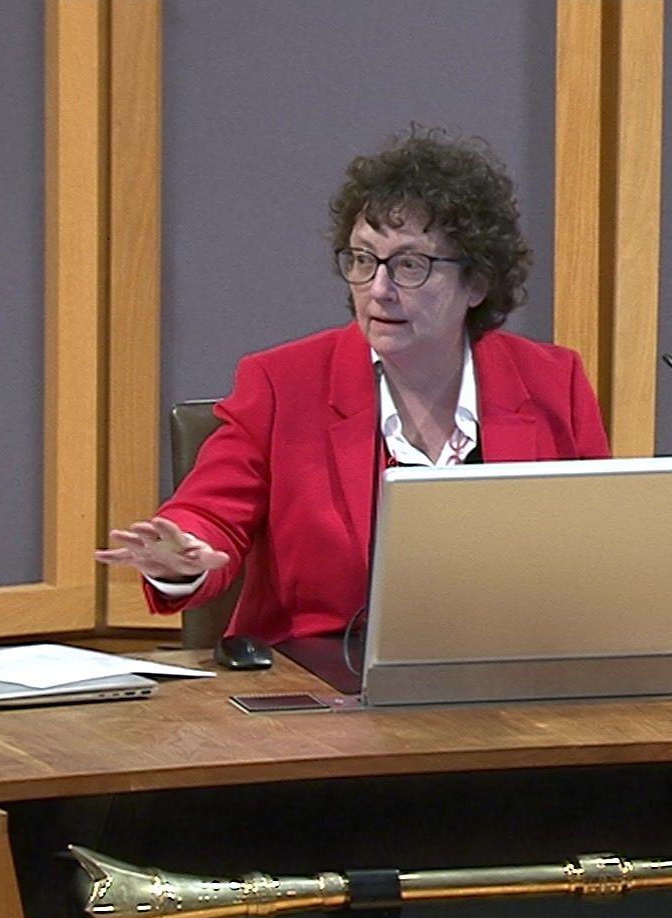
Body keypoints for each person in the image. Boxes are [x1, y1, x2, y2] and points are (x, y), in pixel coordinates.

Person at [95, 130, 610, 644]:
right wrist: (182, 554)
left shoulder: (551, 381)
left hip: (510, 673)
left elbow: (600, 543)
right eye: (363, 260)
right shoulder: (282, 383)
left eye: (411, 265)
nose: (378, 290)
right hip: (326, 679)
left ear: (476, 283)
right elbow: (209, 515)